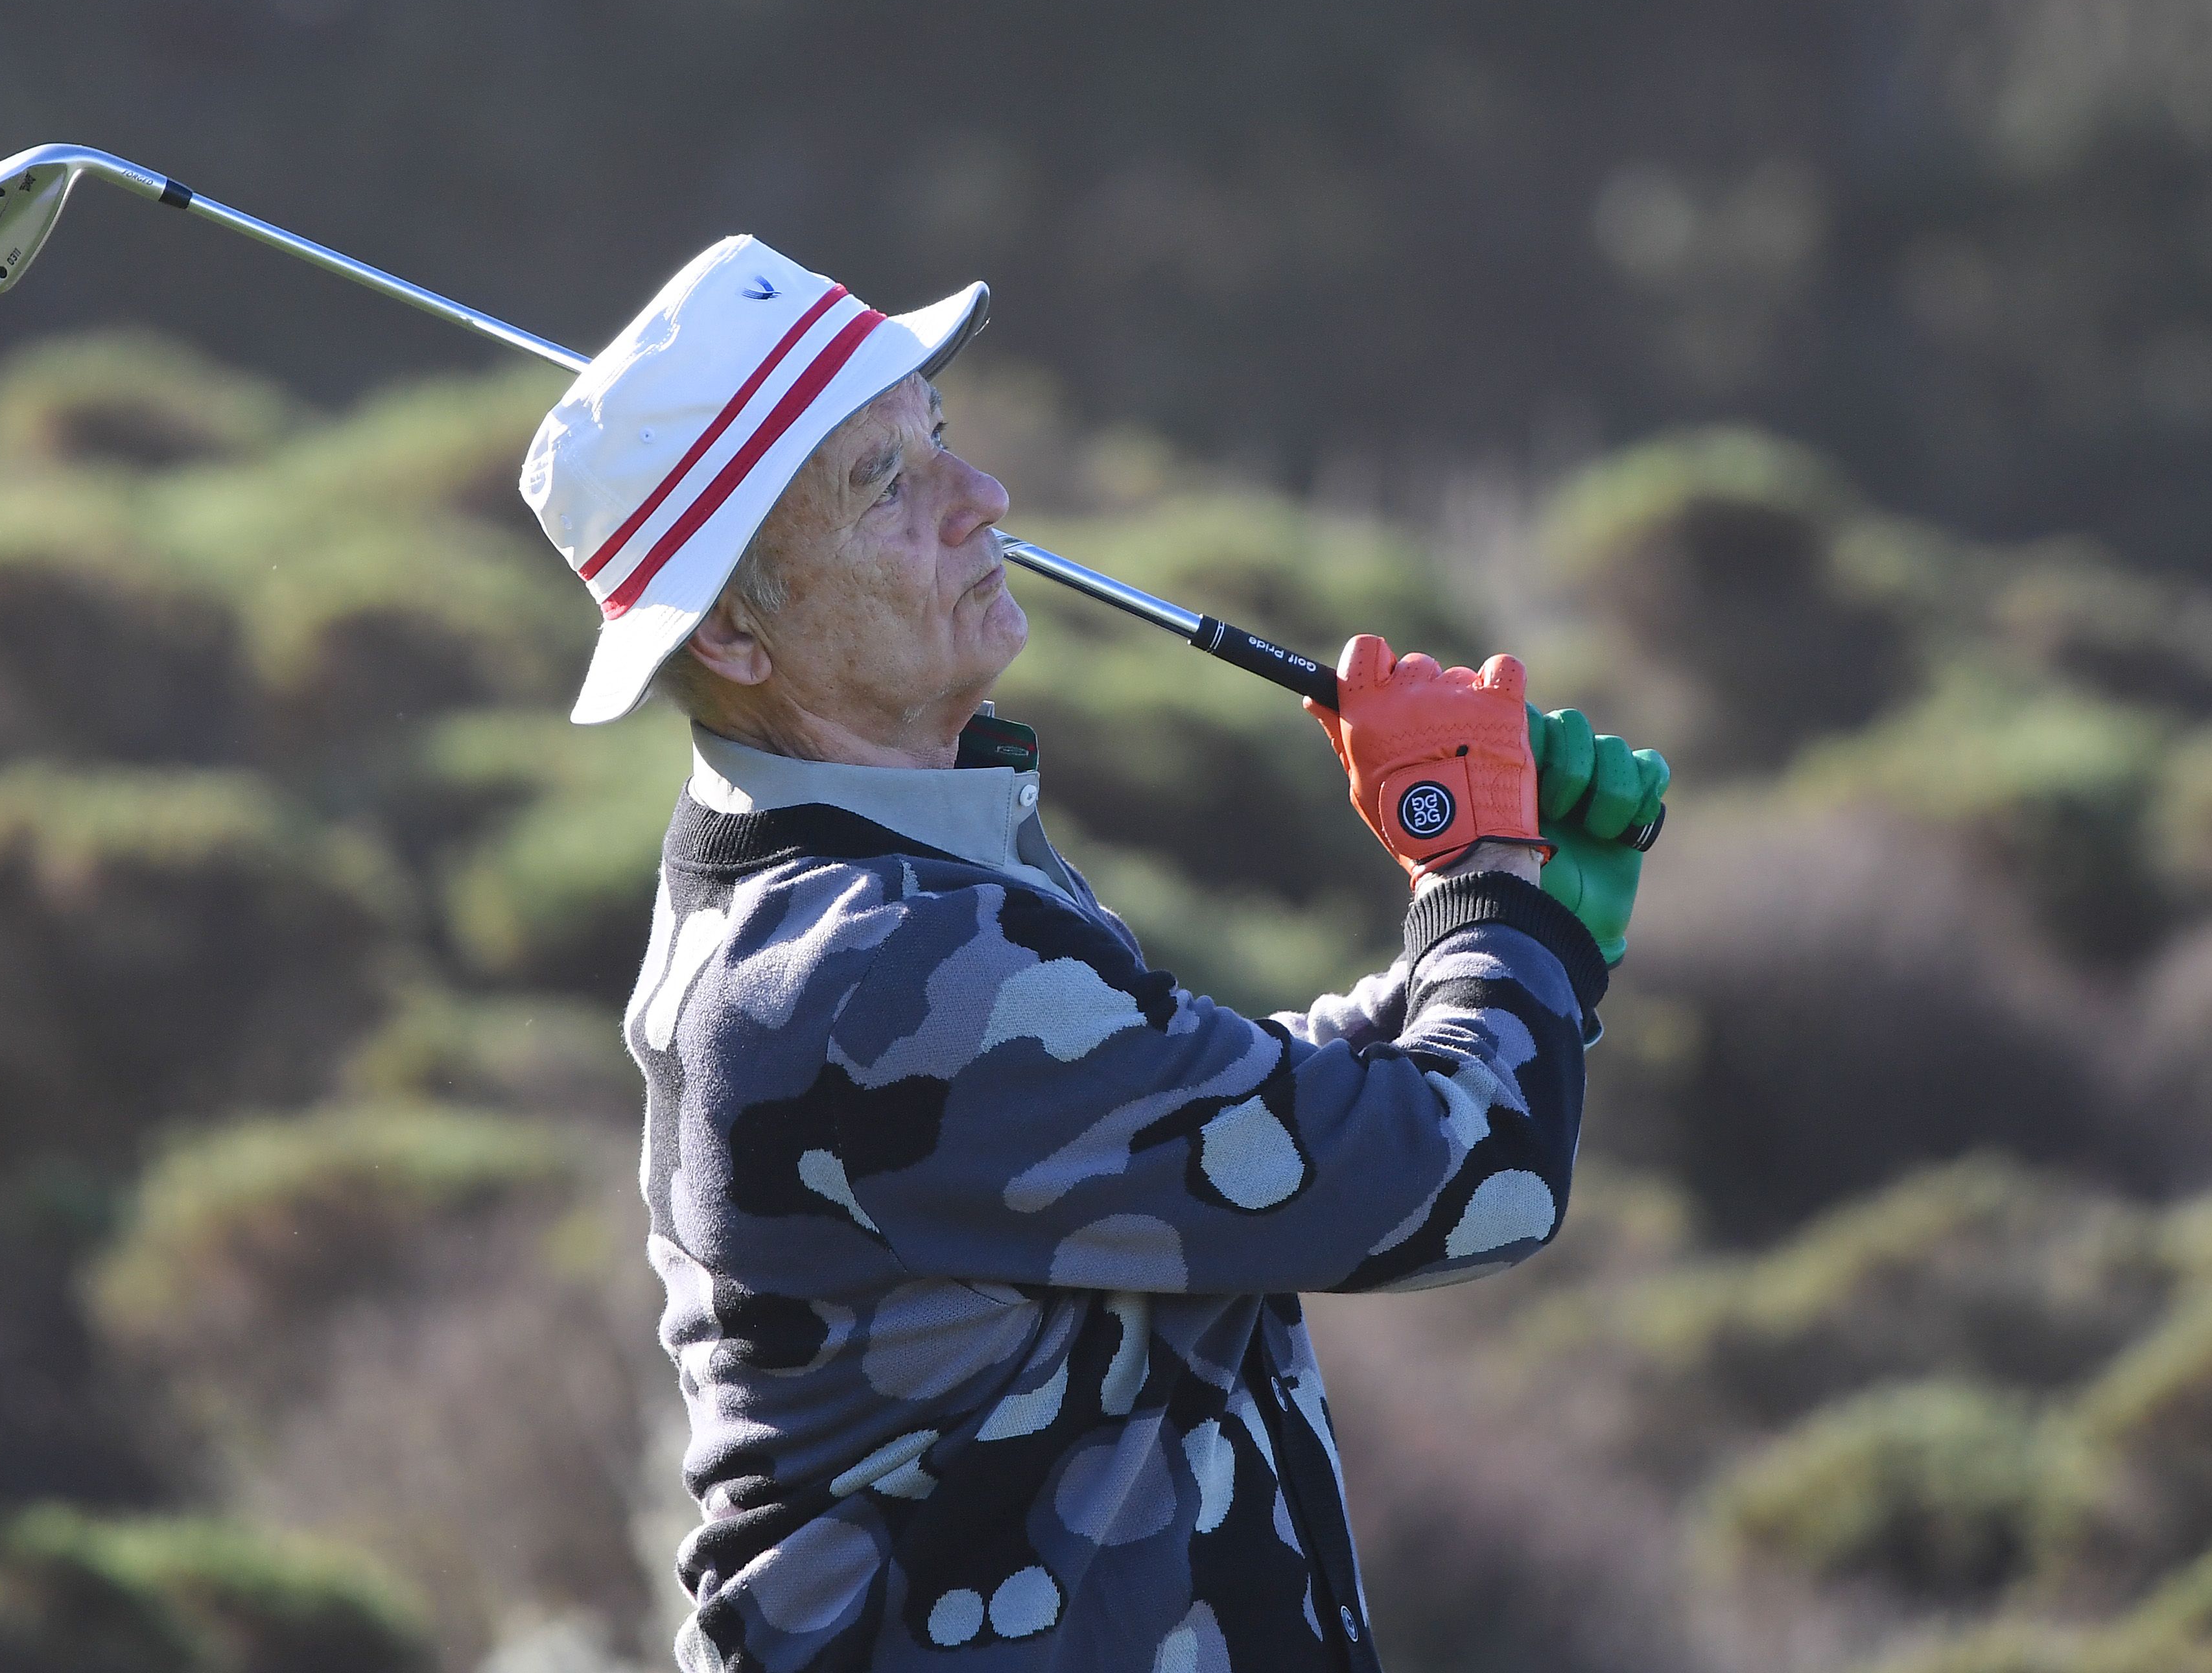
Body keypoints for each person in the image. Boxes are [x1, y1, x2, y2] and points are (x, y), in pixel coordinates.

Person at [521, 239, 1665, 1672]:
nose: (979, 497)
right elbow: (1466, 1179)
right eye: (881, 483)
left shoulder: (881, 872)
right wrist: (1482, 881)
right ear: (737, 634)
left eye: (935, 435)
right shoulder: (875, 966)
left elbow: (1215, 1113)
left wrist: (1525, 933)